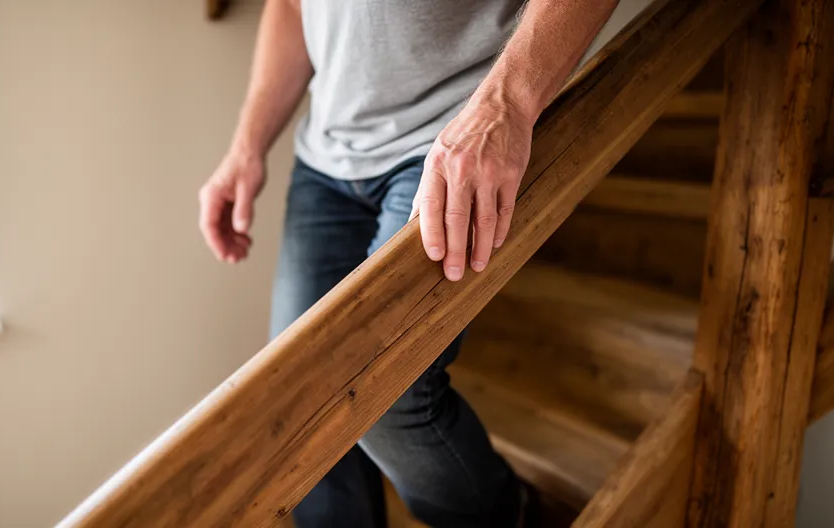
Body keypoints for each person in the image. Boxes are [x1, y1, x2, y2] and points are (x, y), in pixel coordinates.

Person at [198, 1, 619, 525]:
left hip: (452, 145)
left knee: (379, 394)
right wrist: (247, 147)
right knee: (296, 403)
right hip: (325, 162)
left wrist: (506, 105)